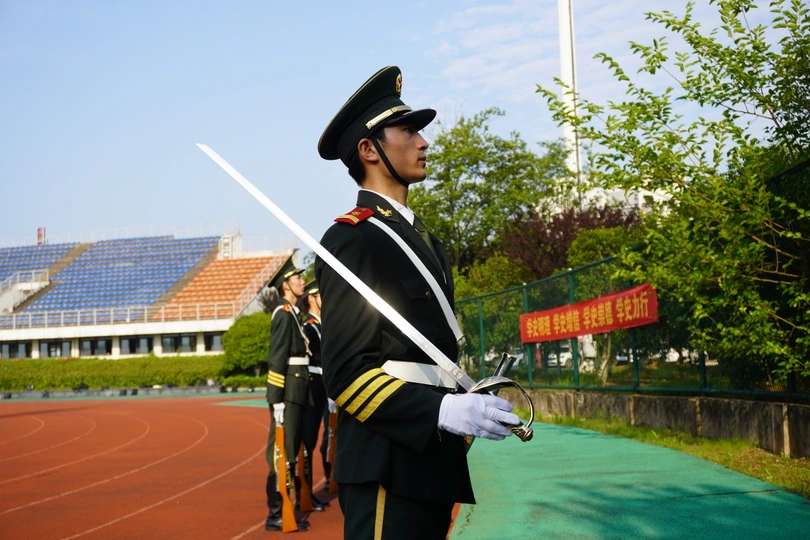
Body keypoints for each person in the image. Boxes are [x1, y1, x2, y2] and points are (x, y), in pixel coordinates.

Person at [314, 66, 520, 540]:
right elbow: (346, 374)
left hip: (432, 458)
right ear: (369, 149)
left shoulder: (426, 241)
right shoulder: (354, 239)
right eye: (407, 130)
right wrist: (440, 411)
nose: (423, 141)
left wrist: (461, 404)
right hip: (387, 462)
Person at [263, 256, 311, 532]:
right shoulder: (282, 314)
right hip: (288, 393)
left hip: (297, 389)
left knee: (291, 449)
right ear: (285, 285)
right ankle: (276, 513)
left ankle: (285, 508)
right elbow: (277, 358)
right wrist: (276, 399)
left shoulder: (293, 313)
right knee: (281, 451)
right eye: (297, 278)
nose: (302, 282)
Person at [295, 279, 332, 511]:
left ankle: (324, 482)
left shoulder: (321, 324)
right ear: (311, 298)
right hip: (313, 387)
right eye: (320, 295)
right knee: (307, 440)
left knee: (326, 436)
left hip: (324, 386)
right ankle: (304, 492)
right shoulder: (309, 326)